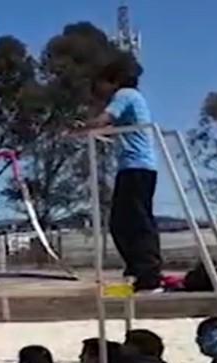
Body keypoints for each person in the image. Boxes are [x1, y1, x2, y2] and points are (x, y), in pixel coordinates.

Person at [83, 55, 161, 292]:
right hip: (135, 166)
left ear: (112, 81)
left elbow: (105, 119)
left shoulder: (125, 95)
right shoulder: (132, 99)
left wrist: (85, 126)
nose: (101, 95)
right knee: (123, 221)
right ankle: (137, 269)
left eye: (101, 89)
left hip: (136, 166)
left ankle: (147, 271)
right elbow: (109, 128)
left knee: (134, 221)